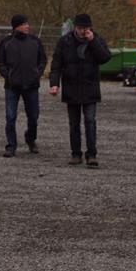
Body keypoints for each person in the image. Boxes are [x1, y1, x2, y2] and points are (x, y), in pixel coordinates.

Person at [49, 13, 111, 167]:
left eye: (87, 28)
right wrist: (54, 84)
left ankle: (92, 155)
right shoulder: (65, 41)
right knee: (74, 124)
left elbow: (105, 58)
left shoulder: (96, 39)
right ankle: (76, 154)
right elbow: (56, 64)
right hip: (71, 88)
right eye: (81, 28)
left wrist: (93, 41)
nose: (84, 31)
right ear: (75, 27)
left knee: (90, 122)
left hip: (90, 88)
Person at [0, 14, 47, 157]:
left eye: (27, 23)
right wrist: (9, 76)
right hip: (12, 86)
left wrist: (37, 74)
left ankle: (30, 139)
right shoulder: (6, 42)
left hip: (32, 86)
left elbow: (43, 60)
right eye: (24, 24)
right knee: (10, 117)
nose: (27, 26)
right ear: (16, 26)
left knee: (33, 117)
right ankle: (11, 146)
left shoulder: (35, 41)